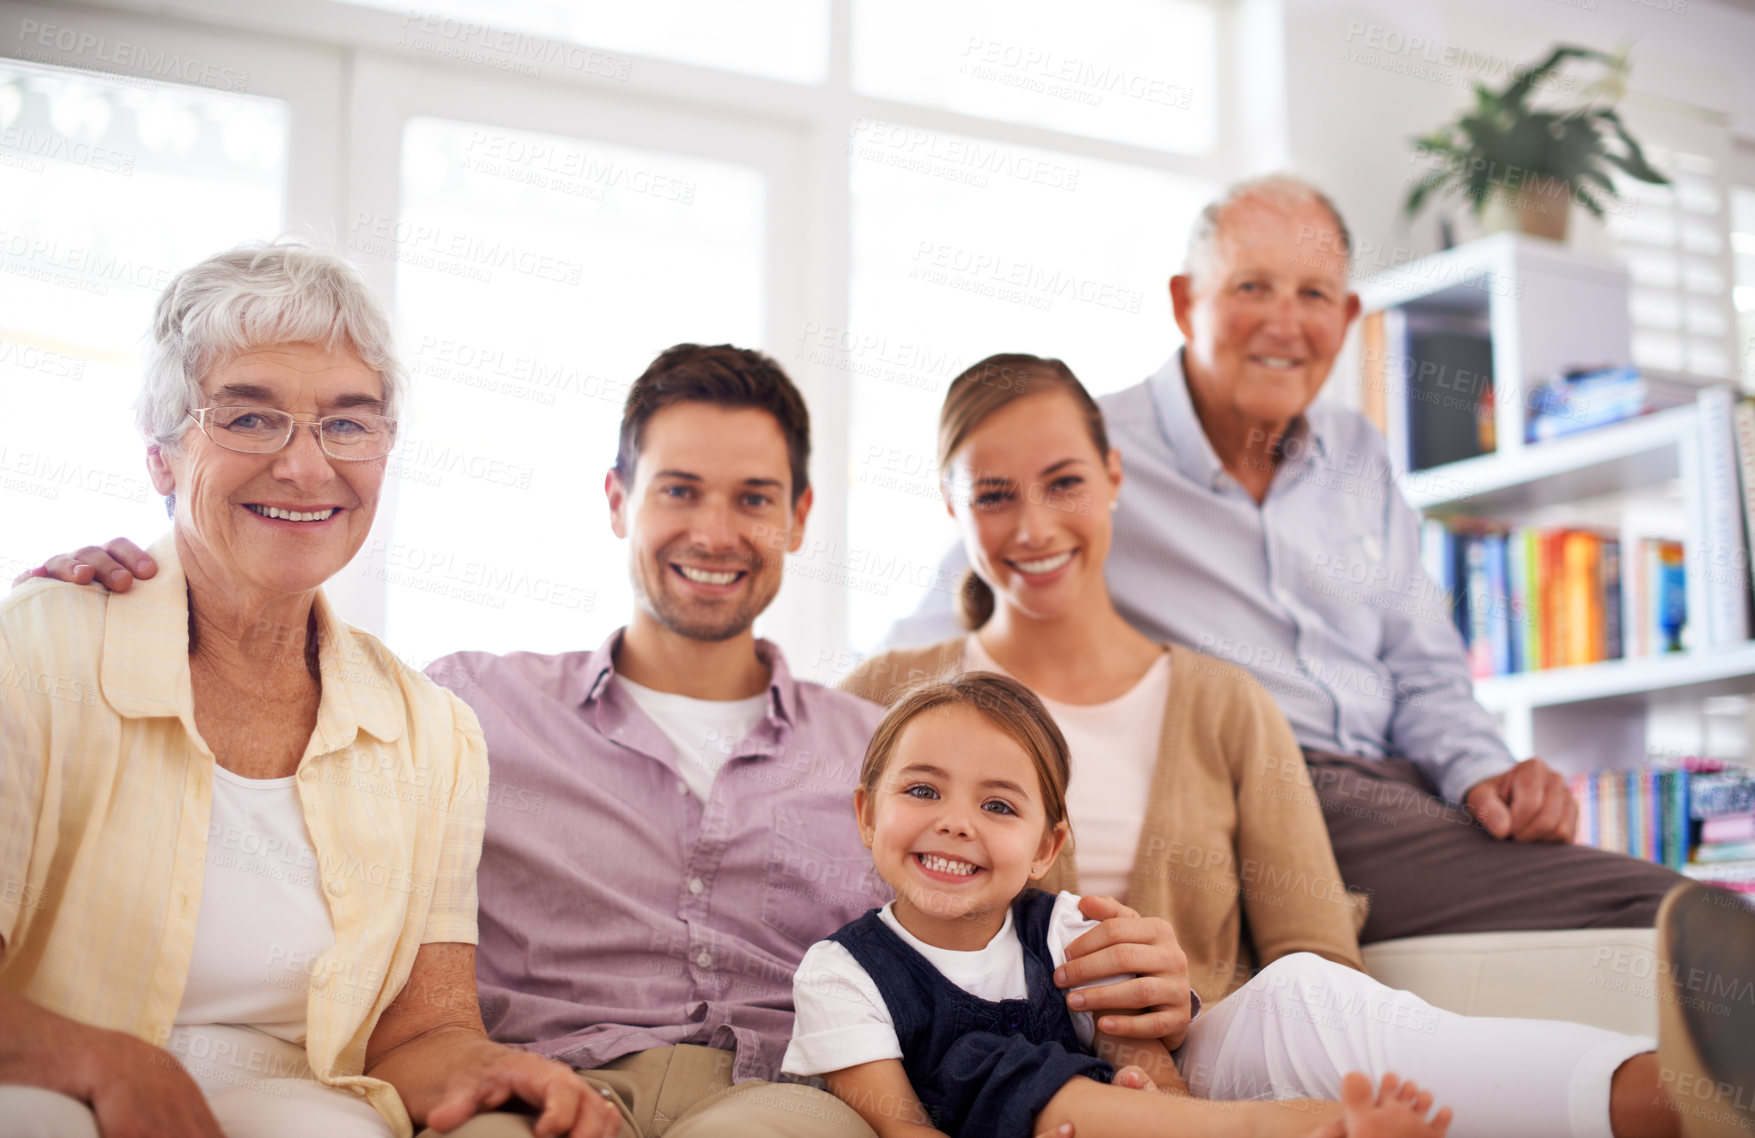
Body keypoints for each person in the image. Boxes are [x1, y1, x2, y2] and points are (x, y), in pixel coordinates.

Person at [16, 344, 1199, 1138]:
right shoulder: (461, 706)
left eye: (751, 498)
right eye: (679, 489)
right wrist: (151, 583)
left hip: (775, 1093)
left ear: (797, 519)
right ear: (617, 500)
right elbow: (274, 691)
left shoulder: (889, 754)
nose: (713, 530)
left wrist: (1140, 980)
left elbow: (1015, 929)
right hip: (541, 1091)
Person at [843, 351, 1725, 1138]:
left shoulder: (1224, 702)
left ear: (1114, 476)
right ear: (950, 503)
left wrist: (1177, 994)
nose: (1033, 528)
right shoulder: (885, 695)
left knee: (1305, 994)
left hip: (1200, 1053)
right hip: (987, 1071)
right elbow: (830, 921)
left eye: (1063, 482)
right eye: (993, 495)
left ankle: (1670, 1102)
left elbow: (1318, 948)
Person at [880, 174, 1683, 944]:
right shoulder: (1086, 452)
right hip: (1259, 787)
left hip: (1398, 788)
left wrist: (1482, 772)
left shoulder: (1358, 452)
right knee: (1655, 903)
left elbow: (1425, 671)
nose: (1284, 323)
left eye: (1313, 295)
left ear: (1347, 316)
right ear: (1183, 303)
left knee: (1628, 888)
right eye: (1250, 288)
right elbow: (955, 617)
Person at [0, 243, 619, 1138]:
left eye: (347, 423)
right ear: (163, 458)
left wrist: (500, 1068)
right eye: (249, 419)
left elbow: (423, 1031)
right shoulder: (41, 645)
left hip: (295, 1101)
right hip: (52, 1082)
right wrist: (108, 1062)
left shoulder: (432, 730)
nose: (304, 466)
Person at [784, 671, 1454, 1138]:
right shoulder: (841, 972)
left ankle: (1295, 1120)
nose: (956, 823)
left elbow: (1149, 1070)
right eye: (923, 791)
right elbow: (898, 1125)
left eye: (996, 805)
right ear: (867, 815)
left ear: (1046, 848)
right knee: (994, 1065)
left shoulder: (1070, 932)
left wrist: (1148, 1104)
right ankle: (1262, 1127)